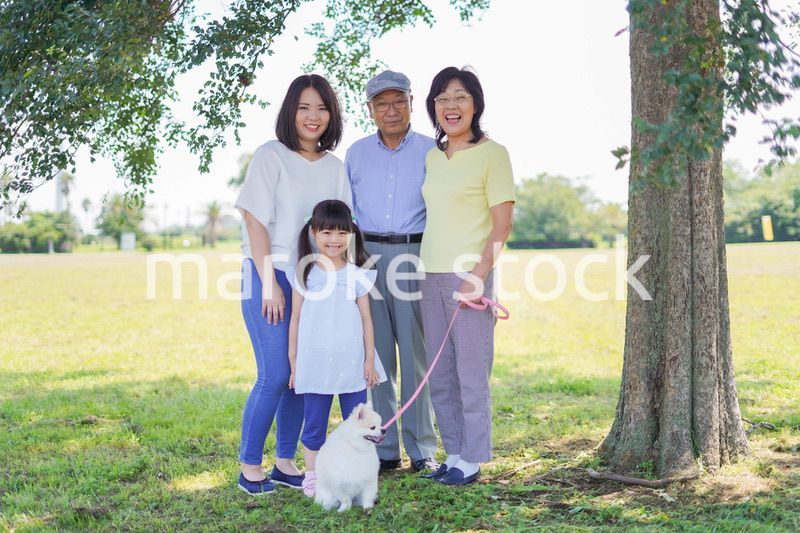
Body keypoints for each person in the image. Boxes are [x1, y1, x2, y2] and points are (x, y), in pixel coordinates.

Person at [234, 74, 351, 496]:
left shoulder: (336, 169)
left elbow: (341, 232)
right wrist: (270, 282)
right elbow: (254, 220)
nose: (313, 116)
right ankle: (250, 466)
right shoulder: (271, 156)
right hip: (268, 273)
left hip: (314, 280)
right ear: (291, 112)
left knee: (302, 375)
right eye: (304, 107)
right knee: (275, 372)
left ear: (331, 115)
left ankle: (285, 463)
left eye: (321, 108)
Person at [418, 66, 515, 486]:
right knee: (440, 373)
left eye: (459, 97)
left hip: (470, 276)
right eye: (442, 98)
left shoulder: (494, 155)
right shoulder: (432, 157)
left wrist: (478, 275)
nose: (450, 106)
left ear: (475, 104)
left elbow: (502, 225)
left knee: (471, 372)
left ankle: (472, 459)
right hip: (428, 273)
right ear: (433, 107)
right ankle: (453, 452)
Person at [345, 70, 438, 472]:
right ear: (370, 109)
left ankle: (421, 450)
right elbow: (346, 212)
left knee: (415, 355)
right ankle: (383, 450)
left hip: (413, 254)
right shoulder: (357, 153)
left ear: (412, 102)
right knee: (376, 357)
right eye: (381, 103)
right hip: (366, 256)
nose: (391, 109)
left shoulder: (433, 150)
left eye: (398, 100)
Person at [286, 199, 388, 497]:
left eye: (342, 233)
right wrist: (294, 364)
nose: (334, 239)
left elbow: (367, 321)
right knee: (315, 424)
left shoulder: (358, 274)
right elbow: (295, 321)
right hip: (314, 362)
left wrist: (369, 361)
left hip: (351, 362)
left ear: (351, 234)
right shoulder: (305, 273)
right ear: (313, 233)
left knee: (357, 425)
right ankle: (314, 476)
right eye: (327, 232)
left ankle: (356, 477)